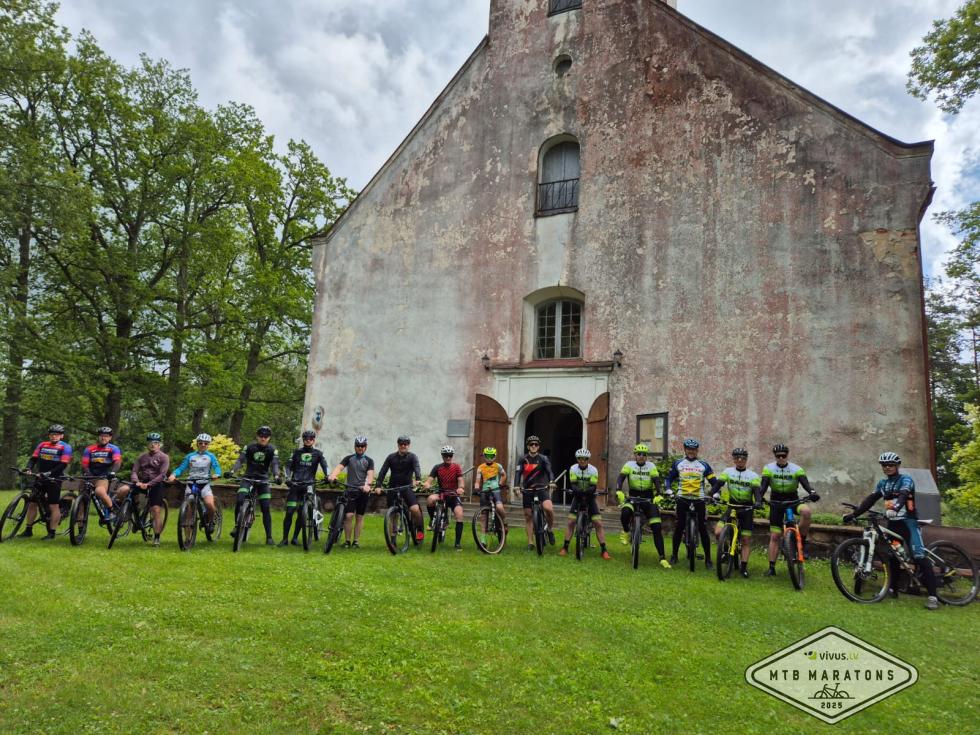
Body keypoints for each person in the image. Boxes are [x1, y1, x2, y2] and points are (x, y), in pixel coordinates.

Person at [843, 451, 940, 610]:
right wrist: (854, 514)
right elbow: (870, 500)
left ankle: (932, 596)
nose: (887, 467)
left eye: (891, 465)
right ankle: (893, 590)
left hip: (909, 523)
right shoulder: (883, 484)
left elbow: (903, 495)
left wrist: (895, 507)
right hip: (893, 524)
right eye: (884, 465)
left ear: (897, 466)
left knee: (919, 556)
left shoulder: (906, 480)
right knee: (893, 556)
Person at [760, 443, 819, 575]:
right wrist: (759, 499)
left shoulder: (796, 469)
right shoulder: (768, 468)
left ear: (787, 455)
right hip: (776, 503)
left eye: (783, 455)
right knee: (775, 536)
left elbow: (806, 484)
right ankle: (771, 568)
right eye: (778, 456)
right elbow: (763, 486)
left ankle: (802, 543)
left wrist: (812, 492)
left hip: (793, 501)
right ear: (775, 456)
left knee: (806, 512)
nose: (781, 458)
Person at [666, 438, 720, 569]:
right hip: (682, 498)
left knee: (702, 529)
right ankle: (674, 555)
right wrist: (668, 489)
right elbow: (669, 478)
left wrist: (716, 493)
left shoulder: (704, 465)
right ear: (685, 450)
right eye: (689, 449)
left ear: (697, 450)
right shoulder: (678, 463)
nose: (691, 451)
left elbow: (714, 482)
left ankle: (708, 560)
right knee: (679, 527)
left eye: (694, 449)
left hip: (699, 499)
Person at [615, 443, 670, 568]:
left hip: (648, 499)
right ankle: (626, 531)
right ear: (635, 455)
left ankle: (662, 558)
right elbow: (621, 478)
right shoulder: (629, 465)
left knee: (656, 526)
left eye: (644, 454)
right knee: (625, 513)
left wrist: (659, 494)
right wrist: (618, 490)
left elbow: (656, 481)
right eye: (639, 454)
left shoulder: (651, 466)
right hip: (632, 497)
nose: (641, 456)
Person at [115, 432, 170, 546]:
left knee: (155, 510)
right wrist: (136, 481)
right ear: (147, 444)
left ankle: (156, 537)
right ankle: (127, 510)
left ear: (159, 445)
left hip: (156, 484)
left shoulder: (164, 457)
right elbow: (134, 471)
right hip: (142, 482)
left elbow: (162, 475)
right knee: (123, 490)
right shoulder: (142, 456)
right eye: (150, 442)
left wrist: (150, 484)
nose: (153, 445)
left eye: (155, 443)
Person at [229, 425, 281, 546]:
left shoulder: (273, 449)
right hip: (248, 478)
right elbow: (240, 460)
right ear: (257, 436)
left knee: (265, 507)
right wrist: (232, 471)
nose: (263, 438)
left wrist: (277, 476)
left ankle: (269, 537)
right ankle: (237, 526)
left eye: (266, 436)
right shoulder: (249, 447)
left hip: (263, 480)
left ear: (269, 438)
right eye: (261, 436)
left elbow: (275, 464)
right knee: (240, 498)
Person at [714, 448, 762, 578]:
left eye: (742, 458)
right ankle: (725, 551)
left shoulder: (753, 476)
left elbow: (757, 492)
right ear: (733, 459)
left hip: (746, 509)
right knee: (718, 532)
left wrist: (758, 501)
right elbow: (719, 484)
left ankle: (744, 567)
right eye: (737, 458)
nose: (740, 460)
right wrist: (712, 494)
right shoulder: (728, 472)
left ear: (746, 459)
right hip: (732, 507)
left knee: (746, 540)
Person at [20, 424, 72, 539]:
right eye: (52, 434)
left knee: (53, 506)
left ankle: (51, 532)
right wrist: (29, 468)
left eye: (57, 434)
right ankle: (28, 530)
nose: (54, 436)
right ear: (49, 435)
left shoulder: (66, 447)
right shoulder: (42, 445)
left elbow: (63, 464)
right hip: (40, 477)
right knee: (32, 503)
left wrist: (49, 473)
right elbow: (33, 458)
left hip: (54, 479)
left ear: (61, 436)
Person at [280, 430, 329, 547]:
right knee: (290, 512)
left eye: (311, 439)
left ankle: (295, 538)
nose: (308, 440)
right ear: (303, 440)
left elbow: (325, 466)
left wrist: (328, 476)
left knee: (302, 512)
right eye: (306, 439)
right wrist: (287, 478)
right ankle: (284, 539)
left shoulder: (318, 453)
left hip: (309, 486)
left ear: (314, 440)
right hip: (295, 485)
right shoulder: (296, 453)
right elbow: (287, 466)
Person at [559, 448, 611, 559]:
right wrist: (578, 492)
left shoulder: (593, 470)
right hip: (577, 497)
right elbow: (573, 484)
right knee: (571, 522)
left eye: (585, 459)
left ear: (588, 459)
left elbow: (593, 487)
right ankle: (565, 547)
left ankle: (604, 550)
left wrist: (585, 493)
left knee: (598, 523)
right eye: (580, 458)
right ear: (577, 459)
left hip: (590, 497)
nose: (582, 461)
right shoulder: (573, 468)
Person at [327, 436, 375, 548]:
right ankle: (347, 541)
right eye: (358, 446)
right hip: (351, 491)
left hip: (363, 492)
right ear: (355, 446)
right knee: (348, 516)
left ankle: (356, 541)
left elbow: (370, 474)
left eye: (362, 446)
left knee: (359, 517)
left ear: (366, 447)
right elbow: (339, 468)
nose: (360, 448)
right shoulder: (349, 458)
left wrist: (367, 485)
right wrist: (333, 475)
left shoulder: (369, 461)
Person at [167, 433, 221, 530]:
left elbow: (217, 467)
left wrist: (216, 474)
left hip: (204, 484)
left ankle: (211, 521)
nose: (203, 445)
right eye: (201, 443)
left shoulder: (211, 456)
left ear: (208, 445)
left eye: (205, 443)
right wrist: (173, 474)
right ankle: (188, 539)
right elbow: (181, 468)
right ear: (197, 444)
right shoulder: (190, 456)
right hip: (192, 484)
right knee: (189, 509)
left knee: (209, 504)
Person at [377, 435, 424, 543]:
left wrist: (418, 479)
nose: (403, 446)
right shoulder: (391, 457)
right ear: (398, 445)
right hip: (393, 487)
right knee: (393, 514)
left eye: (406, 444)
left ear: (409, 445)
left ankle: (420, 530)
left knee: (415, 509)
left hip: (406, 487)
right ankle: (392, 540)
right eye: (401, 444)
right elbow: (383, 471)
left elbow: (417, 468)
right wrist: (378, 485)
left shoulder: (413, 457)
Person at [513, 435, 556, 550]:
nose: (533, 446)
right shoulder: (523, 459)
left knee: (548, 509)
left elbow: (549, 471)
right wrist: (516, 486)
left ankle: (550, 529)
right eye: (531, 444)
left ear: (538, 446)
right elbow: (518, 473)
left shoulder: (543, 458)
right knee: (528, 516)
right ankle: (530, 542)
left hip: (541, 488)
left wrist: (552, 481)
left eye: (536, 444)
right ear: (528, 446)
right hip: (527, 490)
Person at [424, 446, 466, 549]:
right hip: (441, 493)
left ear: (452, 456)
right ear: (442, 456)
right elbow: (429, 480)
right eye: (446, 455)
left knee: (459, 513)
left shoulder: (456, 467)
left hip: (453, 494)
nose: (448, 457)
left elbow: (460, 480)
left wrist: (460, 488)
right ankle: (432, 520)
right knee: (430, 499)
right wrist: (427, 484)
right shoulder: (437, 467)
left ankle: (457, 543)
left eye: (450, 455)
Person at [81, 427, 123, 524]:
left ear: (110, 438)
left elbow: (117, 462)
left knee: (99, 491)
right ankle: (80, 530)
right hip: (89, 476)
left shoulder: (114, 448)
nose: (103, 438)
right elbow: (84, 464)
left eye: (106, 436)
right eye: (101, 436)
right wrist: (88, 473)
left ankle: (112, 510)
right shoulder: (89, 449)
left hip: (103, 477)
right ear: (98, 437)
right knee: (81, 504)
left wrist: (113, 472)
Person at [474, 446, 508, 542]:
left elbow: (504, 475)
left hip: (495, 490)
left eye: (491, 456)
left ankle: (504, 522)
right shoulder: (480, 467)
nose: (489, 458)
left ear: (495, 456)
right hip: (485, 491)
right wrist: (476, 488)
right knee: (483, 515)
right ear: (484, 456)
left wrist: (500, 484)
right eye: (487, 456)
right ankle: (483, 539)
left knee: (500, 507)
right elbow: (477, 481)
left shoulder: (498, 466)